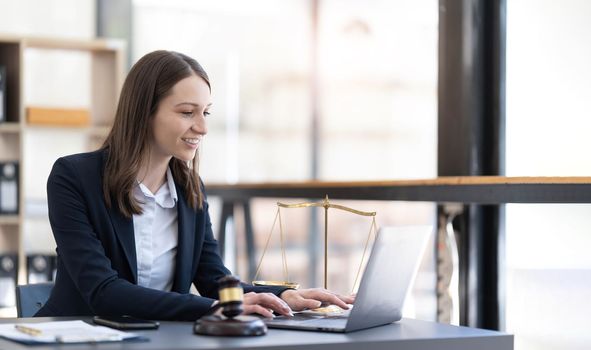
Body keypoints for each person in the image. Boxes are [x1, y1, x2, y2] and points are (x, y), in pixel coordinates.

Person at [35, 50, 354, 321]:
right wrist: (217, 307)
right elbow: (103, 291)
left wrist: (283, 295)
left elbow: (213, 279)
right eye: (187, 112)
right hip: (77, 337)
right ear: (145, 112)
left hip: (157, 339)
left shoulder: (189, 189)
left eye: (206, 113)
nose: (201, 127)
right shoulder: (74, 177)